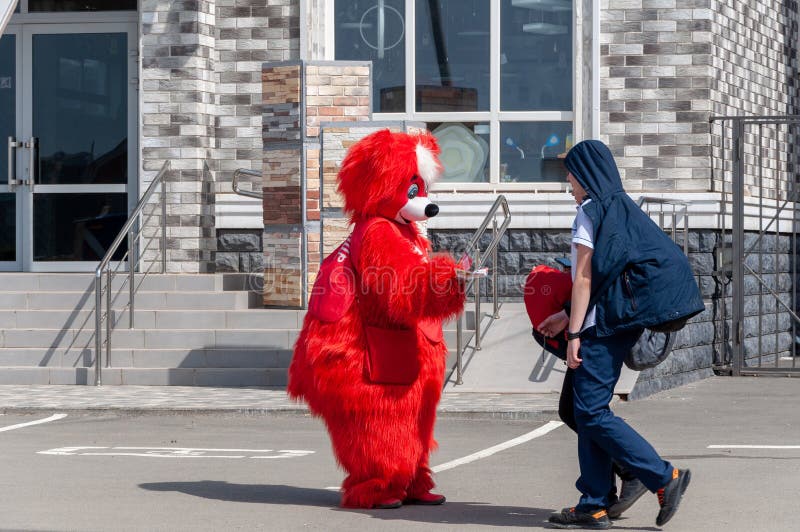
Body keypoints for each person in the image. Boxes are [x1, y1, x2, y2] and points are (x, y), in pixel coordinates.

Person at [537, 140, 702, 529]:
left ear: (586, 176)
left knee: (591, 413)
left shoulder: (589, 214)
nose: (568, 182)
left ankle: (662, 476)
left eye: (571, 174)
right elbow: (609, 275)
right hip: (618, 322)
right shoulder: (624, 210)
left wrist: (575, 331)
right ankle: (594, 502)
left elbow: (583, 277)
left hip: (601, 328)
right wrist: (566, 316)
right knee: (577, 410)